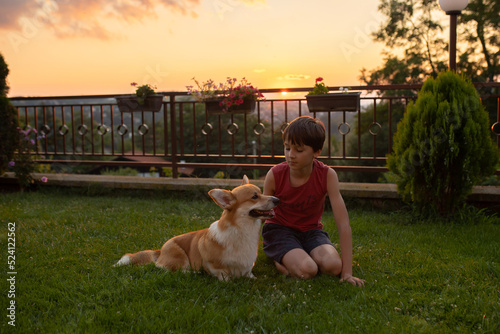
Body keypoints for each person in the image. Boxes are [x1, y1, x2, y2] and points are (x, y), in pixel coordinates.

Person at [262, 116, 365, 286]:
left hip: (311, 232)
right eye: (287, 148)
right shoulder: (274, 175)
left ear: (317, 152)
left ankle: (297, 253)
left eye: (299, 150)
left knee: (334, 266)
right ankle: (278, 258)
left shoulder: (327, 175)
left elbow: (343, 224)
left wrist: (347, 273)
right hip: (279, 231)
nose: (290, 155)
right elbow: (261, 215)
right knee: (308, 270)